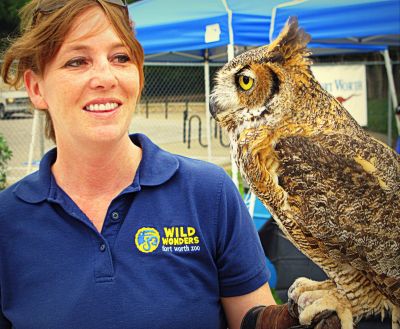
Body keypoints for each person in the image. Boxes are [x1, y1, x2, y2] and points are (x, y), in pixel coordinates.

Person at [0, 1, 338, 328]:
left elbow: (251, 318)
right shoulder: (8, 220)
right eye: (77, 61)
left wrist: (289, 320)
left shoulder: (207, 193)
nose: (105, 77)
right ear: (36, 87)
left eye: (120, 57)